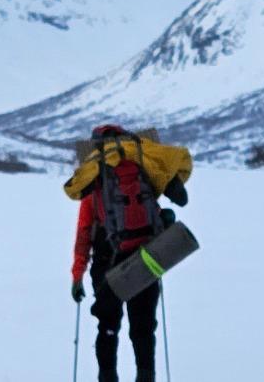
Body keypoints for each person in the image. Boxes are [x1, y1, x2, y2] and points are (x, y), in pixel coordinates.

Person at [69, 125, 188, 382]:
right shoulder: (144, 169)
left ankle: (107, 377)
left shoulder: (95, 179)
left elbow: (84, 233)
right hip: (146, 259)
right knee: (144, 329)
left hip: (107, 263)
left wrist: (77, 274)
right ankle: (146, 377)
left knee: (108, 327)